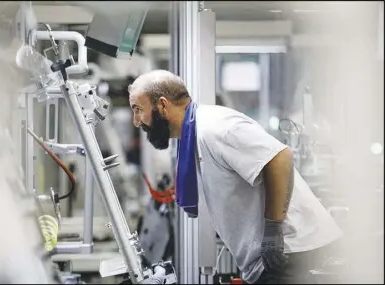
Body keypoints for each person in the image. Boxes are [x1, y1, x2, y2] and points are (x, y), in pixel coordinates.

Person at [128, 70, 343, 284]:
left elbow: (280, 158)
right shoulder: (193, 137)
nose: (137, 121)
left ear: (163, 105)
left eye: (138, 110)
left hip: (292, 252)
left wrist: (272, 229)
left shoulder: (214, 128)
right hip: (274, 259)